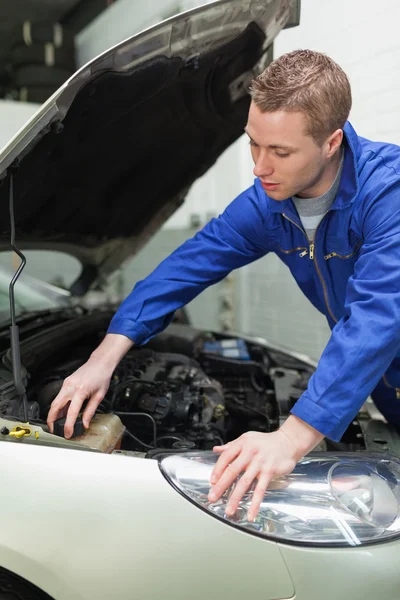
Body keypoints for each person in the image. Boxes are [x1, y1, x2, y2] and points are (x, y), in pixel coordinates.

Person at [47, 49, 400, 521]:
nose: (259, 167)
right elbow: (187, 265)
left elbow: (375, 320)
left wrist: (293, 437)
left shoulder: (388, 194)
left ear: (332, 142)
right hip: (383, 383)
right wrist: (104, 356)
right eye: (254, 144)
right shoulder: (269, 204)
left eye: (281, 152)